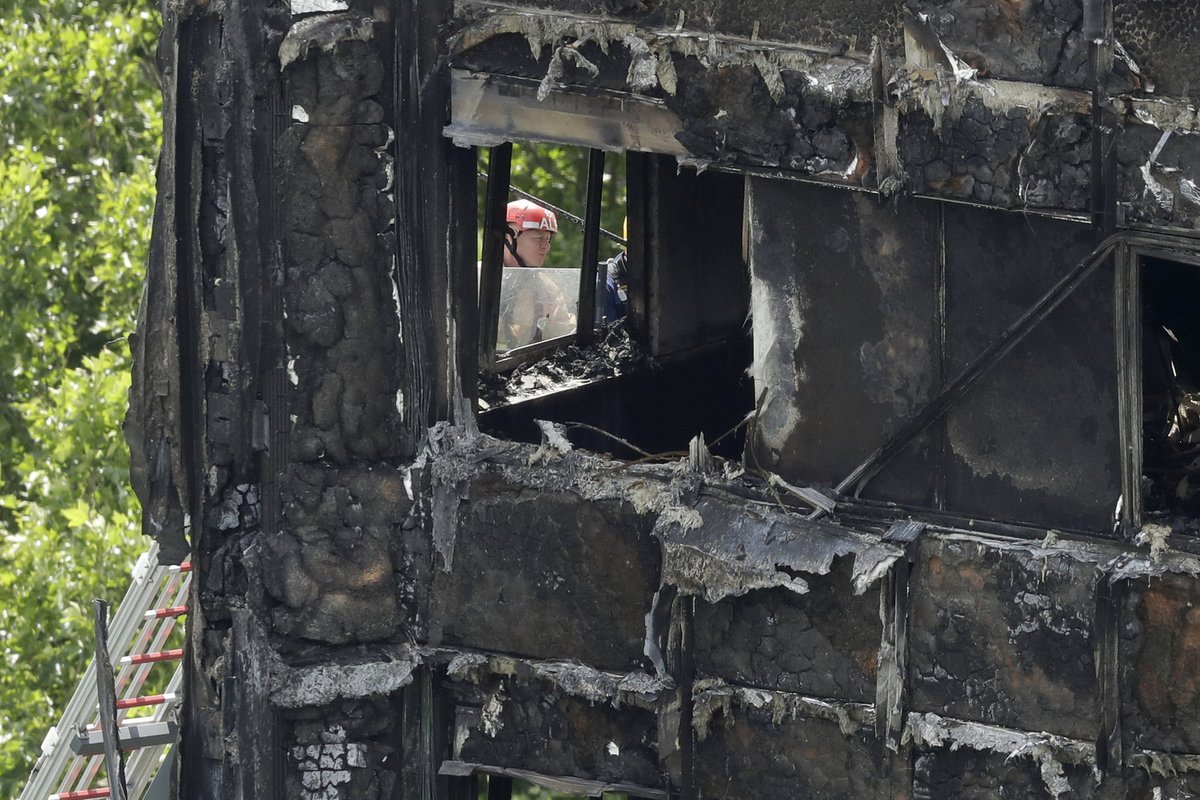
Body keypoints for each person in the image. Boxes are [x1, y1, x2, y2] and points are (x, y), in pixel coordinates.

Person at [497, 199, 577, 350]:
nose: (545, 246)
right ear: (509, 238)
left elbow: (565, 332)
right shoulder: (477, 279)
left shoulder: (546, 288)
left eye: (548, 239)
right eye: (538, 238)